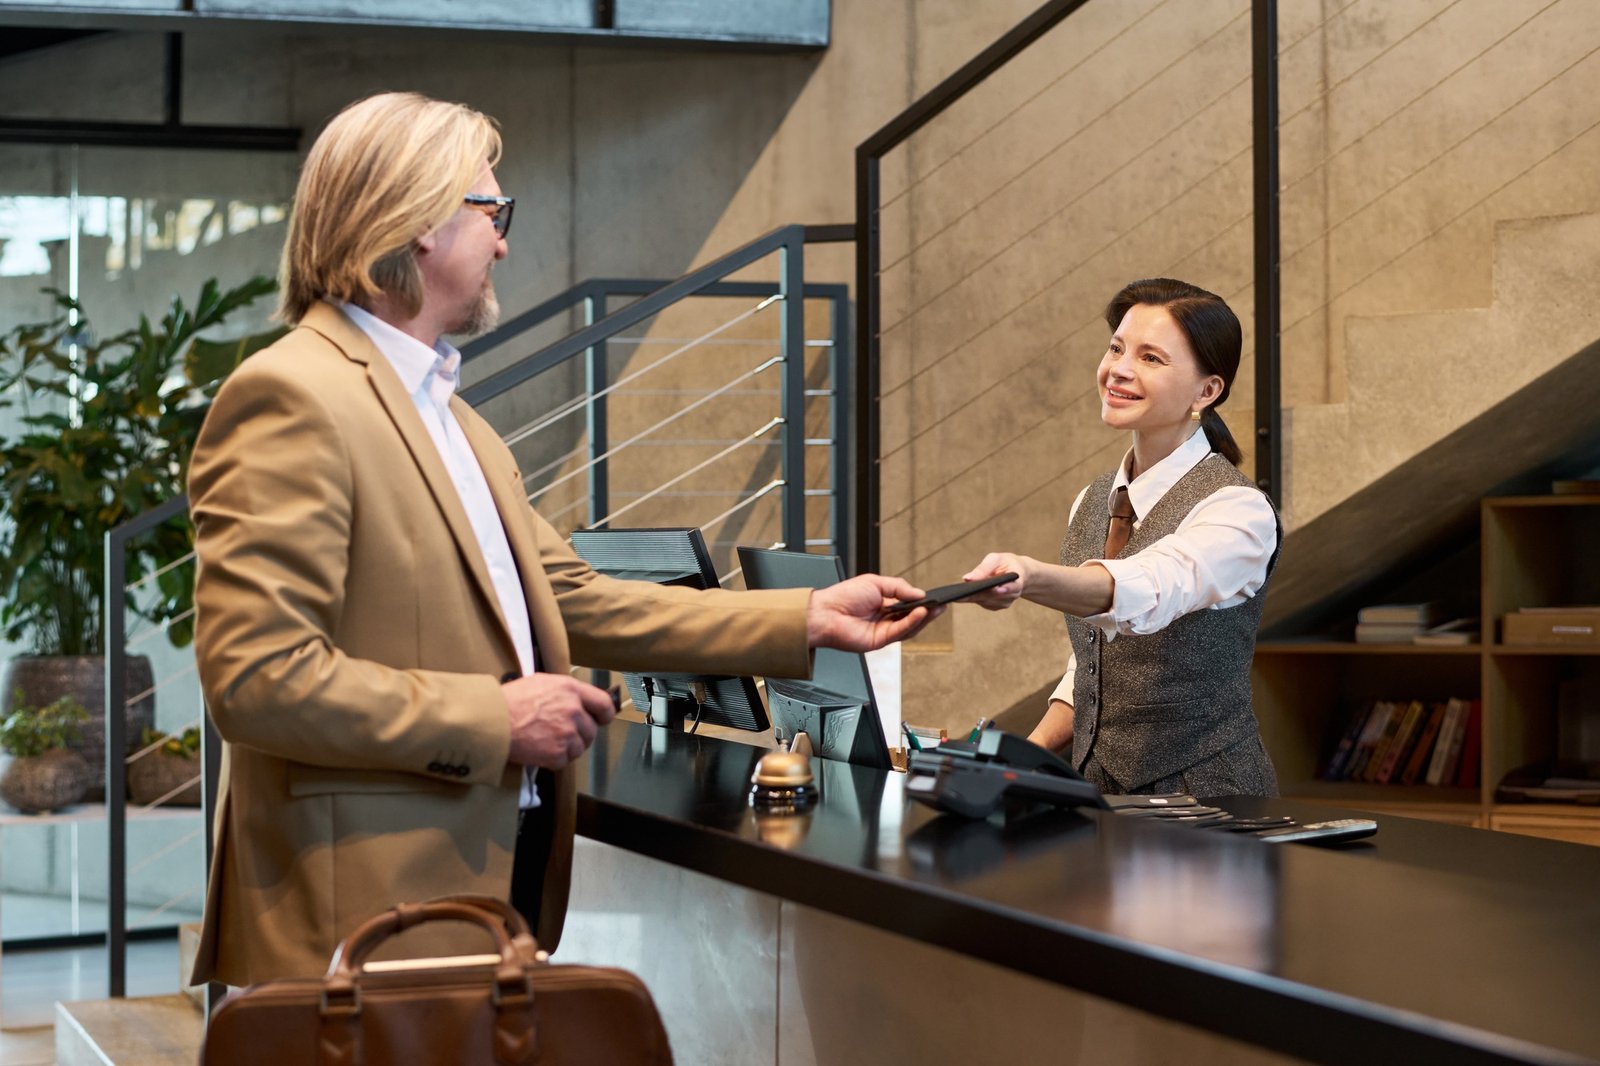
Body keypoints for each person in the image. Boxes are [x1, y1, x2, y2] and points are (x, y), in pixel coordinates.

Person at [187, 91, 938, 987]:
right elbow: (257, 680)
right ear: (419, 220)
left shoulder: (453, 420)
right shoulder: (294, 396)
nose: (503, 242)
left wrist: (808, 617)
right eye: (491, 210)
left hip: (468, 895)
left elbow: (576, 598)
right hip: (357, 918)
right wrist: (496, 719)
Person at [963, 278, 1279, 797]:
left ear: (1207, 391)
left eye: (1151, 358)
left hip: (1210, 800)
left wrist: (1031, 578)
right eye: (1116, 348)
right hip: (1100, 793)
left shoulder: (1238, 510)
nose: (1119, 369)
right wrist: (1019, 758)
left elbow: (1151, 587)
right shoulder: (1092, 501)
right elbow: (1094, 668)